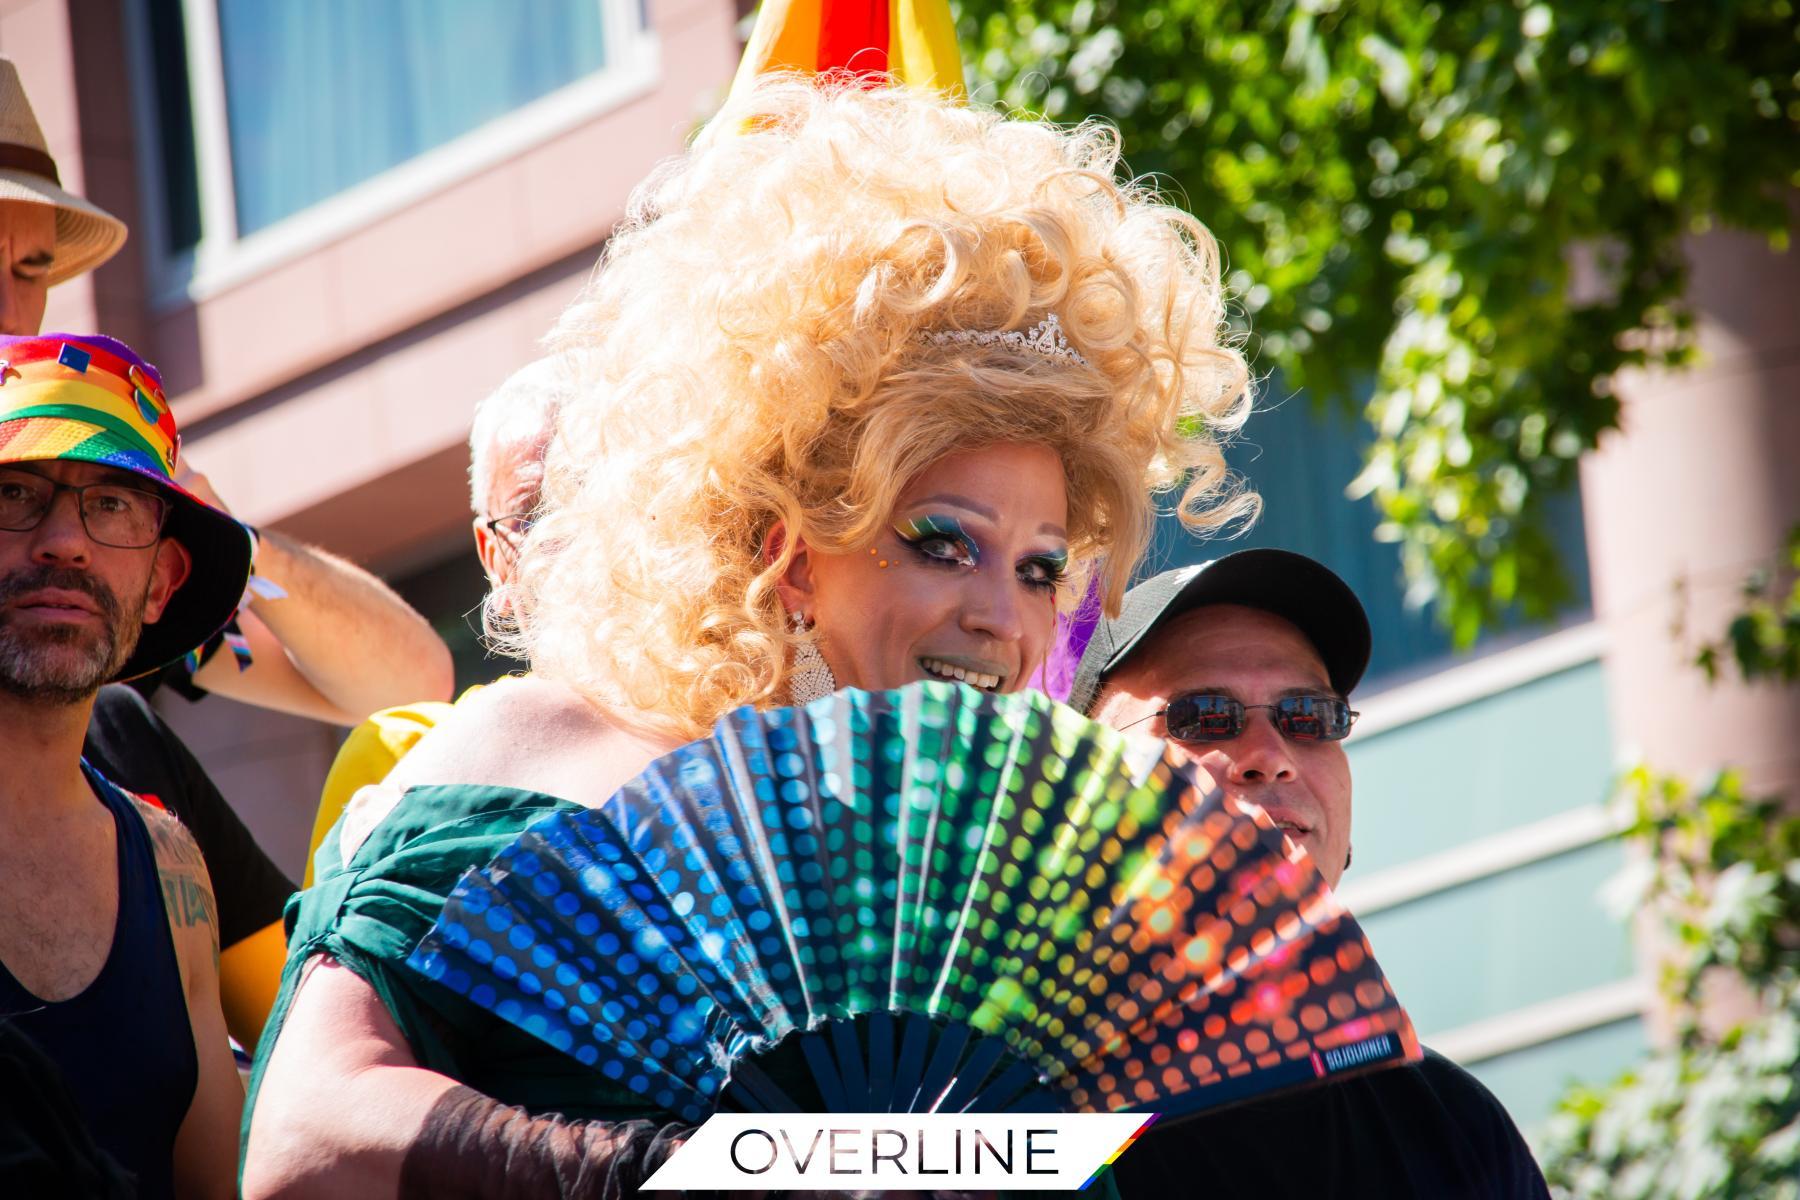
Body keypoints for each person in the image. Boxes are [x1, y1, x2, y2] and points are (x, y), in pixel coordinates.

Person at [240, 74, 1255, 1197]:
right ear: (790, 548)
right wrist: (698, 1172)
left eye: (1040, 567)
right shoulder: (551, 751)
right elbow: (309, 1139)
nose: (999, 617)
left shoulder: (1003, 888)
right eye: (941, 542)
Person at [0, 54, 454, 1048]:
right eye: (15, 504)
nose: (9, 306)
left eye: (31, 268)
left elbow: (404, 687)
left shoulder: (75, 575)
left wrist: (212, 535)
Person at [1070, 548, 1551, 1199]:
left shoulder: (1453, 1128)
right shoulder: (963, 1124)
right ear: (1075, 789)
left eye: (1310, 719)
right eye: (1203, 716)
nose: (1269, 757)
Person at [0, 332, 249, 1199]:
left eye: (113, 504)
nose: (65, 542)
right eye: (13, 492)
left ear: (162, 581)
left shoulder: (172, 864)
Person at [300, 355, 573, 886]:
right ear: (493, 557)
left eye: (594, 498)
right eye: (533, 516)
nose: (566, 537)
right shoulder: (399, 756)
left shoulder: (725, 723)